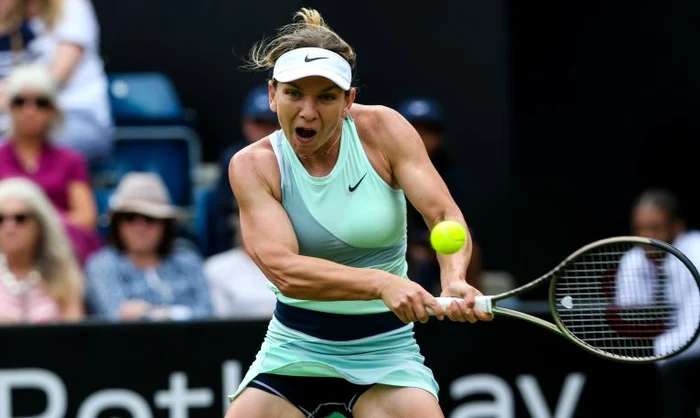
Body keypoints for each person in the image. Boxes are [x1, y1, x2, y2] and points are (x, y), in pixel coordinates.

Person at [225, 8, 492, 418]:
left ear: (349, 100)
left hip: (385, 350)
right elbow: (285, 272)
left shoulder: (384, 131)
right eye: (294, 93)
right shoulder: (253, 165)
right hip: (295, 347)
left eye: (326, 97)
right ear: (272, 94)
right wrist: (382, 284)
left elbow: (444, 217)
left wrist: (453, 278)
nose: (308, 112)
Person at [0, 64, 101, 265]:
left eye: (41, 103)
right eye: (20, 102)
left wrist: (36, 225)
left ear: (54, 111)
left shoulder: (72, 160)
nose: (30, 110)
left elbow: (86, 218)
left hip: (60, 254)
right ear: (9, 108)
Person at [615, 189, 700, 417]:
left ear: (677, 227)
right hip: (667, 363)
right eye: (640, 228)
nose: (646, 238)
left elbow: (696, 335)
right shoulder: (633, 260)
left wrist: (657, 351)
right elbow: (629, 316)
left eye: (655, 228)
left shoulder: (697, 253)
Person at [84, 172, 213, 322]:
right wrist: (178, 314)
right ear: (117, 224)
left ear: (165, 225)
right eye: (130, 217)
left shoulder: (188, 261)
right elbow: (114, 315)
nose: (140, 227)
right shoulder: (102, 265)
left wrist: (153, 313)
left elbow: (208, 314)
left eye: (150, 219)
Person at [397, 97, 482, 293]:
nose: (421, 137)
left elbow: (450, 217)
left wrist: (455, 277)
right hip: (403, 247)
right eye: (414, 130)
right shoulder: (382, 170)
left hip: (435, 244)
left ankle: (471, 307)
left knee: (473, 250)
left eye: (428, 131)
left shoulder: (450, 173)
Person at [0, 177, 83, 323]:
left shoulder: (62, 273)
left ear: (40, 224)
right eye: (1, 219)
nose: (9, 228)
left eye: (20, 218)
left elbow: (74, 335)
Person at [211, 85, 280, 255]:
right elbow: (222, 214)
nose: (264, 130)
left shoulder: (297, 157)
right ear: (246, 124)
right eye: (258, 123)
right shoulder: (232, 158)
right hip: (241, 248)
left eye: (270, 123)